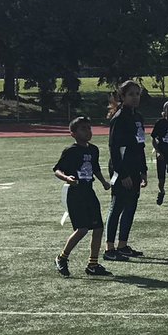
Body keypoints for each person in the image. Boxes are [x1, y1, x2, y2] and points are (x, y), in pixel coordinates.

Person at [54, 116, 113, 277]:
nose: (88, 131)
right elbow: (57, 170)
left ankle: (92, 264)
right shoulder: (71, 151)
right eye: (83, 128)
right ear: (73, 133)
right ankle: (61, 257)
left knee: (98, 228)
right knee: (82, 229)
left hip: (89, 192)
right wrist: (67, 178)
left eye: (89, 128)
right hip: (75, 193)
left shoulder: (93, 149)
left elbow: (95, 168)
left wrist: (103, 182)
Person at [104, 80, 148, 260]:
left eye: (137, 94)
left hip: (135, 167)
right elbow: (114, 148)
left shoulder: (138, 117)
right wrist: (122, 174)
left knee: (131, 206)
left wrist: (143, 169)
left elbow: (140, 145)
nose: (135, 97)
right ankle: (109, 249)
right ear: (122, 97)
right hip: (121, 169)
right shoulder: (119, 118)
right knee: (117, 206)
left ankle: (123, 245)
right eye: (131, 94)